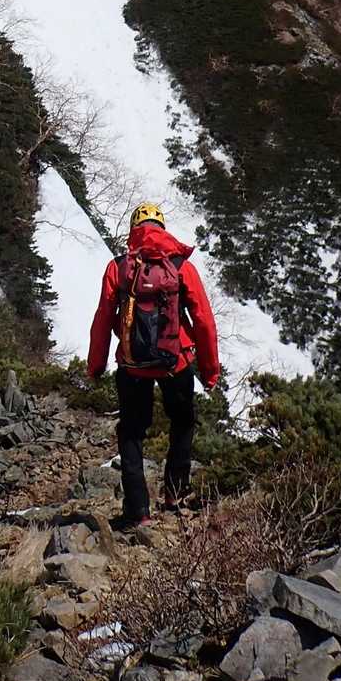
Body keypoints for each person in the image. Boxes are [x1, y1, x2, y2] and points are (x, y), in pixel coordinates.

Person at [87, 202, 220, 528]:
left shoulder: (118, 268)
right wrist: (210, 370)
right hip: (176, 362)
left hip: (132, 366)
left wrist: (96, 365)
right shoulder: (181, 266)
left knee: (132, 432)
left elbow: (103, 319)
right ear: (163, 229)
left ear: (134, 230)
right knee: (183, 422)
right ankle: (175, 494)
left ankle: (138, 510)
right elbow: (203, 320)